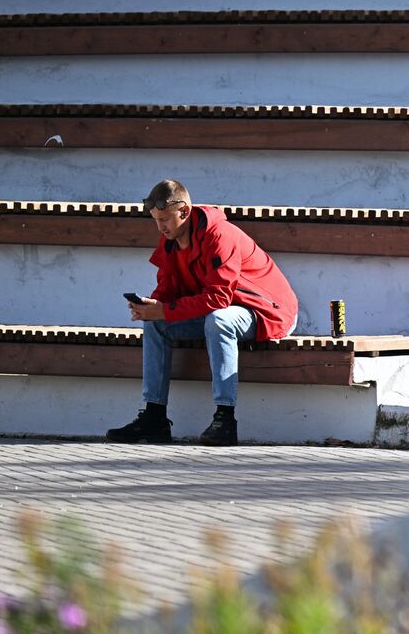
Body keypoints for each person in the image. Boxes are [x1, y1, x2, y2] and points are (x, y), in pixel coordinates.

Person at [106, 180, 299, 446]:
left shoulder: (220, 235)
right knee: (156, 324)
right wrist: (151, 307)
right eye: (155, 220)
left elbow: (219, 297)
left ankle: (225, 419)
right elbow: (168, 287)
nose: (160, 227)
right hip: (220, 310)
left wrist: (165, 310)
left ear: (184, 212)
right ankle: (154, 418)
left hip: (266, 311)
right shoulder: (170, 240)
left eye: (164, 219)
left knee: (218, 319)